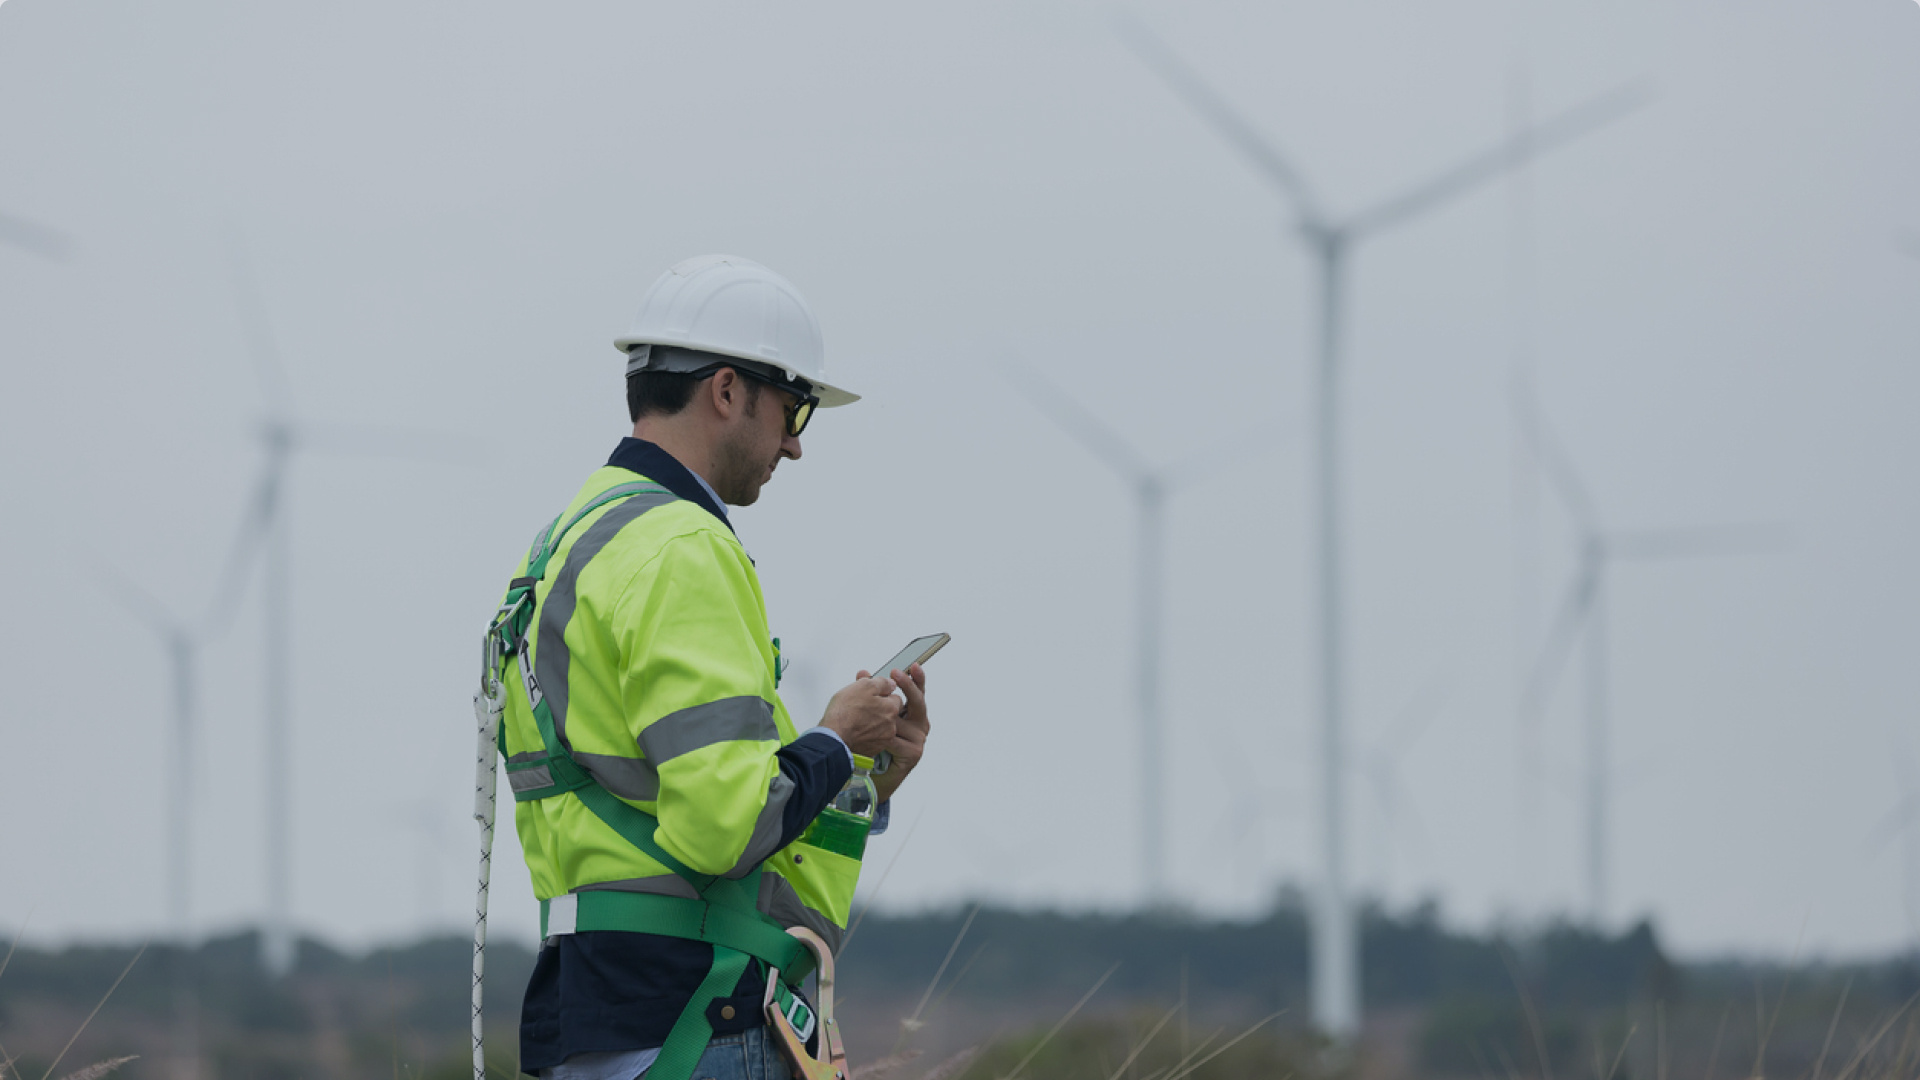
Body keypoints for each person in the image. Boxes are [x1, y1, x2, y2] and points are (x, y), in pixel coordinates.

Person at [492, 254, 933, 1080]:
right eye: (793, 407)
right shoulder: (685, 547)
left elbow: (659, 804)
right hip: (697, 1013)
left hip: (596, 1015)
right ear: (727, 391)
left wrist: (862, 778)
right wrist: (836, 740)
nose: (795, 445)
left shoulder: (567, 543)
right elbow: (722, 826)